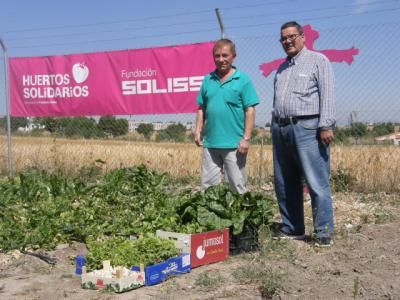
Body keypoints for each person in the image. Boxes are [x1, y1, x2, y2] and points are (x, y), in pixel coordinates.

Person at [272, 21, 336, 247]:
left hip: (308, 128)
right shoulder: (281, 68)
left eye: (291, 36)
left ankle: (323, 232)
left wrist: (326, 125)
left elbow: (327, 93)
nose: (287, 41)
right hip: (281, 129)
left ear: (302, 37)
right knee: (285, 182)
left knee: (316, 182)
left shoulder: (318, 61)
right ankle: (293, 228)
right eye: (283, 38)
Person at [194, 38, 259, 194]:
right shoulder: (208, 80)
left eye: (225, 55)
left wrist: (246, 138)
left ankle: (238, 217)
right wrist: (198, 130)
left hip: (235, 145)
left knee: (237, 186)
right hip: (211, 144)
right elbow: (201, 108)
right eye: (217, 56)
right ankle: (209, 218)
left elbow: (250, 110)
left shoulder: (243, 80)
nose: (221, 60)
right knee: (208, 189)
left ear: (233, 56)